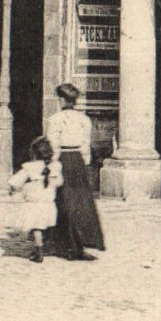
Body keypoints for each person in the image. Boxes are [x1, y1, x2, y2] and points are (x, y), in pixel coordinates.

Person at [45, 82, 105, 261]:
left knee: (62, 201)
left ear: (62, 99)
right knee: (81, 202)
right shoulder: (83, 119)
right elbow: (86, 144)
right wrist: (84, 164)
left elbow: (52, 144)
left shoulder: (55, 119)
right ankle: (79, 245)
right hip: (78, 160)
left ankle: (65, 245)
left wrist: (52, 165)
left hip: (62, 159)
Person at [9, 136, 62, 263]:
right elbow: (59, 182)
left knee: (36, 227)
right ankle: (42, 246)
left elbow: (14, 182)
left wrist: (20, 189)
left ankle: (39, 250)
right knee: (42, 225)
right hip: (48, 203)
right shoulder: (55, 167)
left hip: (34, 203)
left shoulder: (30, 167)